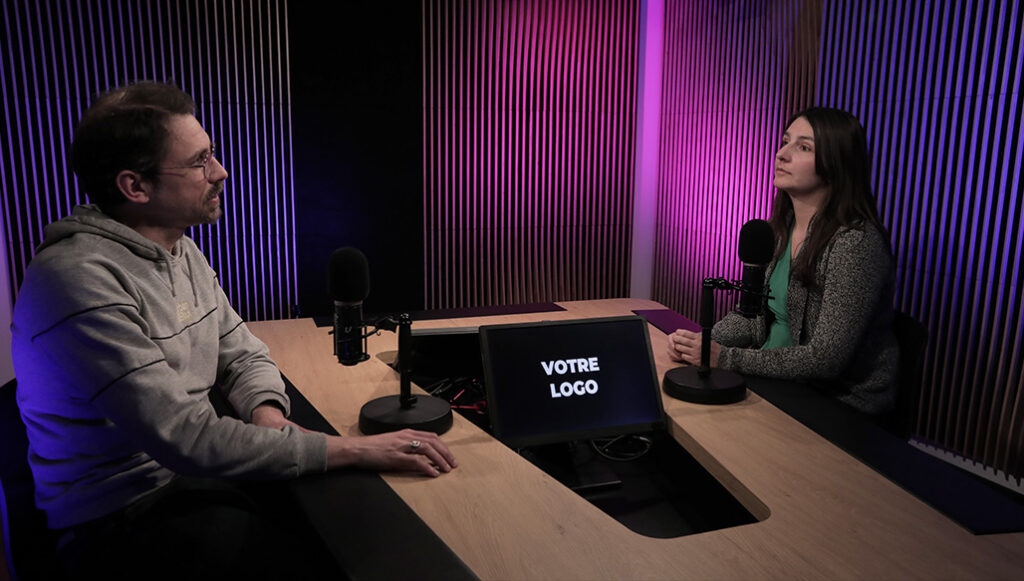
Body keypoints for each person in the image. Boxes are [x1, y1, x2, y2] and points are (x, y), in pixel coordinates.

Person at [11, 81, 457, 578]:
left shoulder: (180, 248)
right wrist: (354, 449)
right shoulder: (75, 280)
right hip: (119, 516)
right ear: (135, 186)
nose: (220, 172)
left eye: (214, 154)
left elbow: (240, 350)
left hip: (188, 478)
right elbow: (184, 437)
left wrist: (266, 412)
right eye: (201, 161)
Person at [666, 107, 898, 415]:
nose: (781, 154)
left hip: (836, 404)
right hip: (776, 384)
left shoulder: (856, 243)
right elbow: (752, 315)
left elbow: (825, 359)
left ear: (836, 163)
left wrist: (723, 358)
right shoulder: (780, 229)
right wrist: (702, 343)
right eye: (785, 141)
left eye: (803, 147)